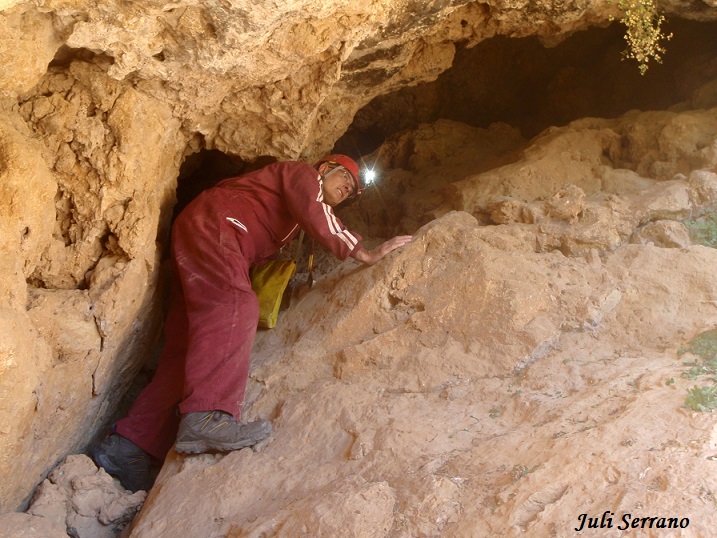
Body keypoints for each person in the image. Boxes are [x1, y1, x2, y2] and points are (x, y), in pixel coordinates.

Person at [92, 154, 413, 492]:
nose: (348, 187)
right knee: (237, 305)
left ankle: (127, 447)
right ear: (322, 169)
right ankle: (208, 416)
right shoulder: (300, 174)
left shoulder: (287, 216)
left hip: (206, 231)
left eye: (352, 190)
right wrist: (361, 251)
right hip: (218, 223)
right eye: (344, 178)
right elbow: (316, 210)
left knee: (187, 349)